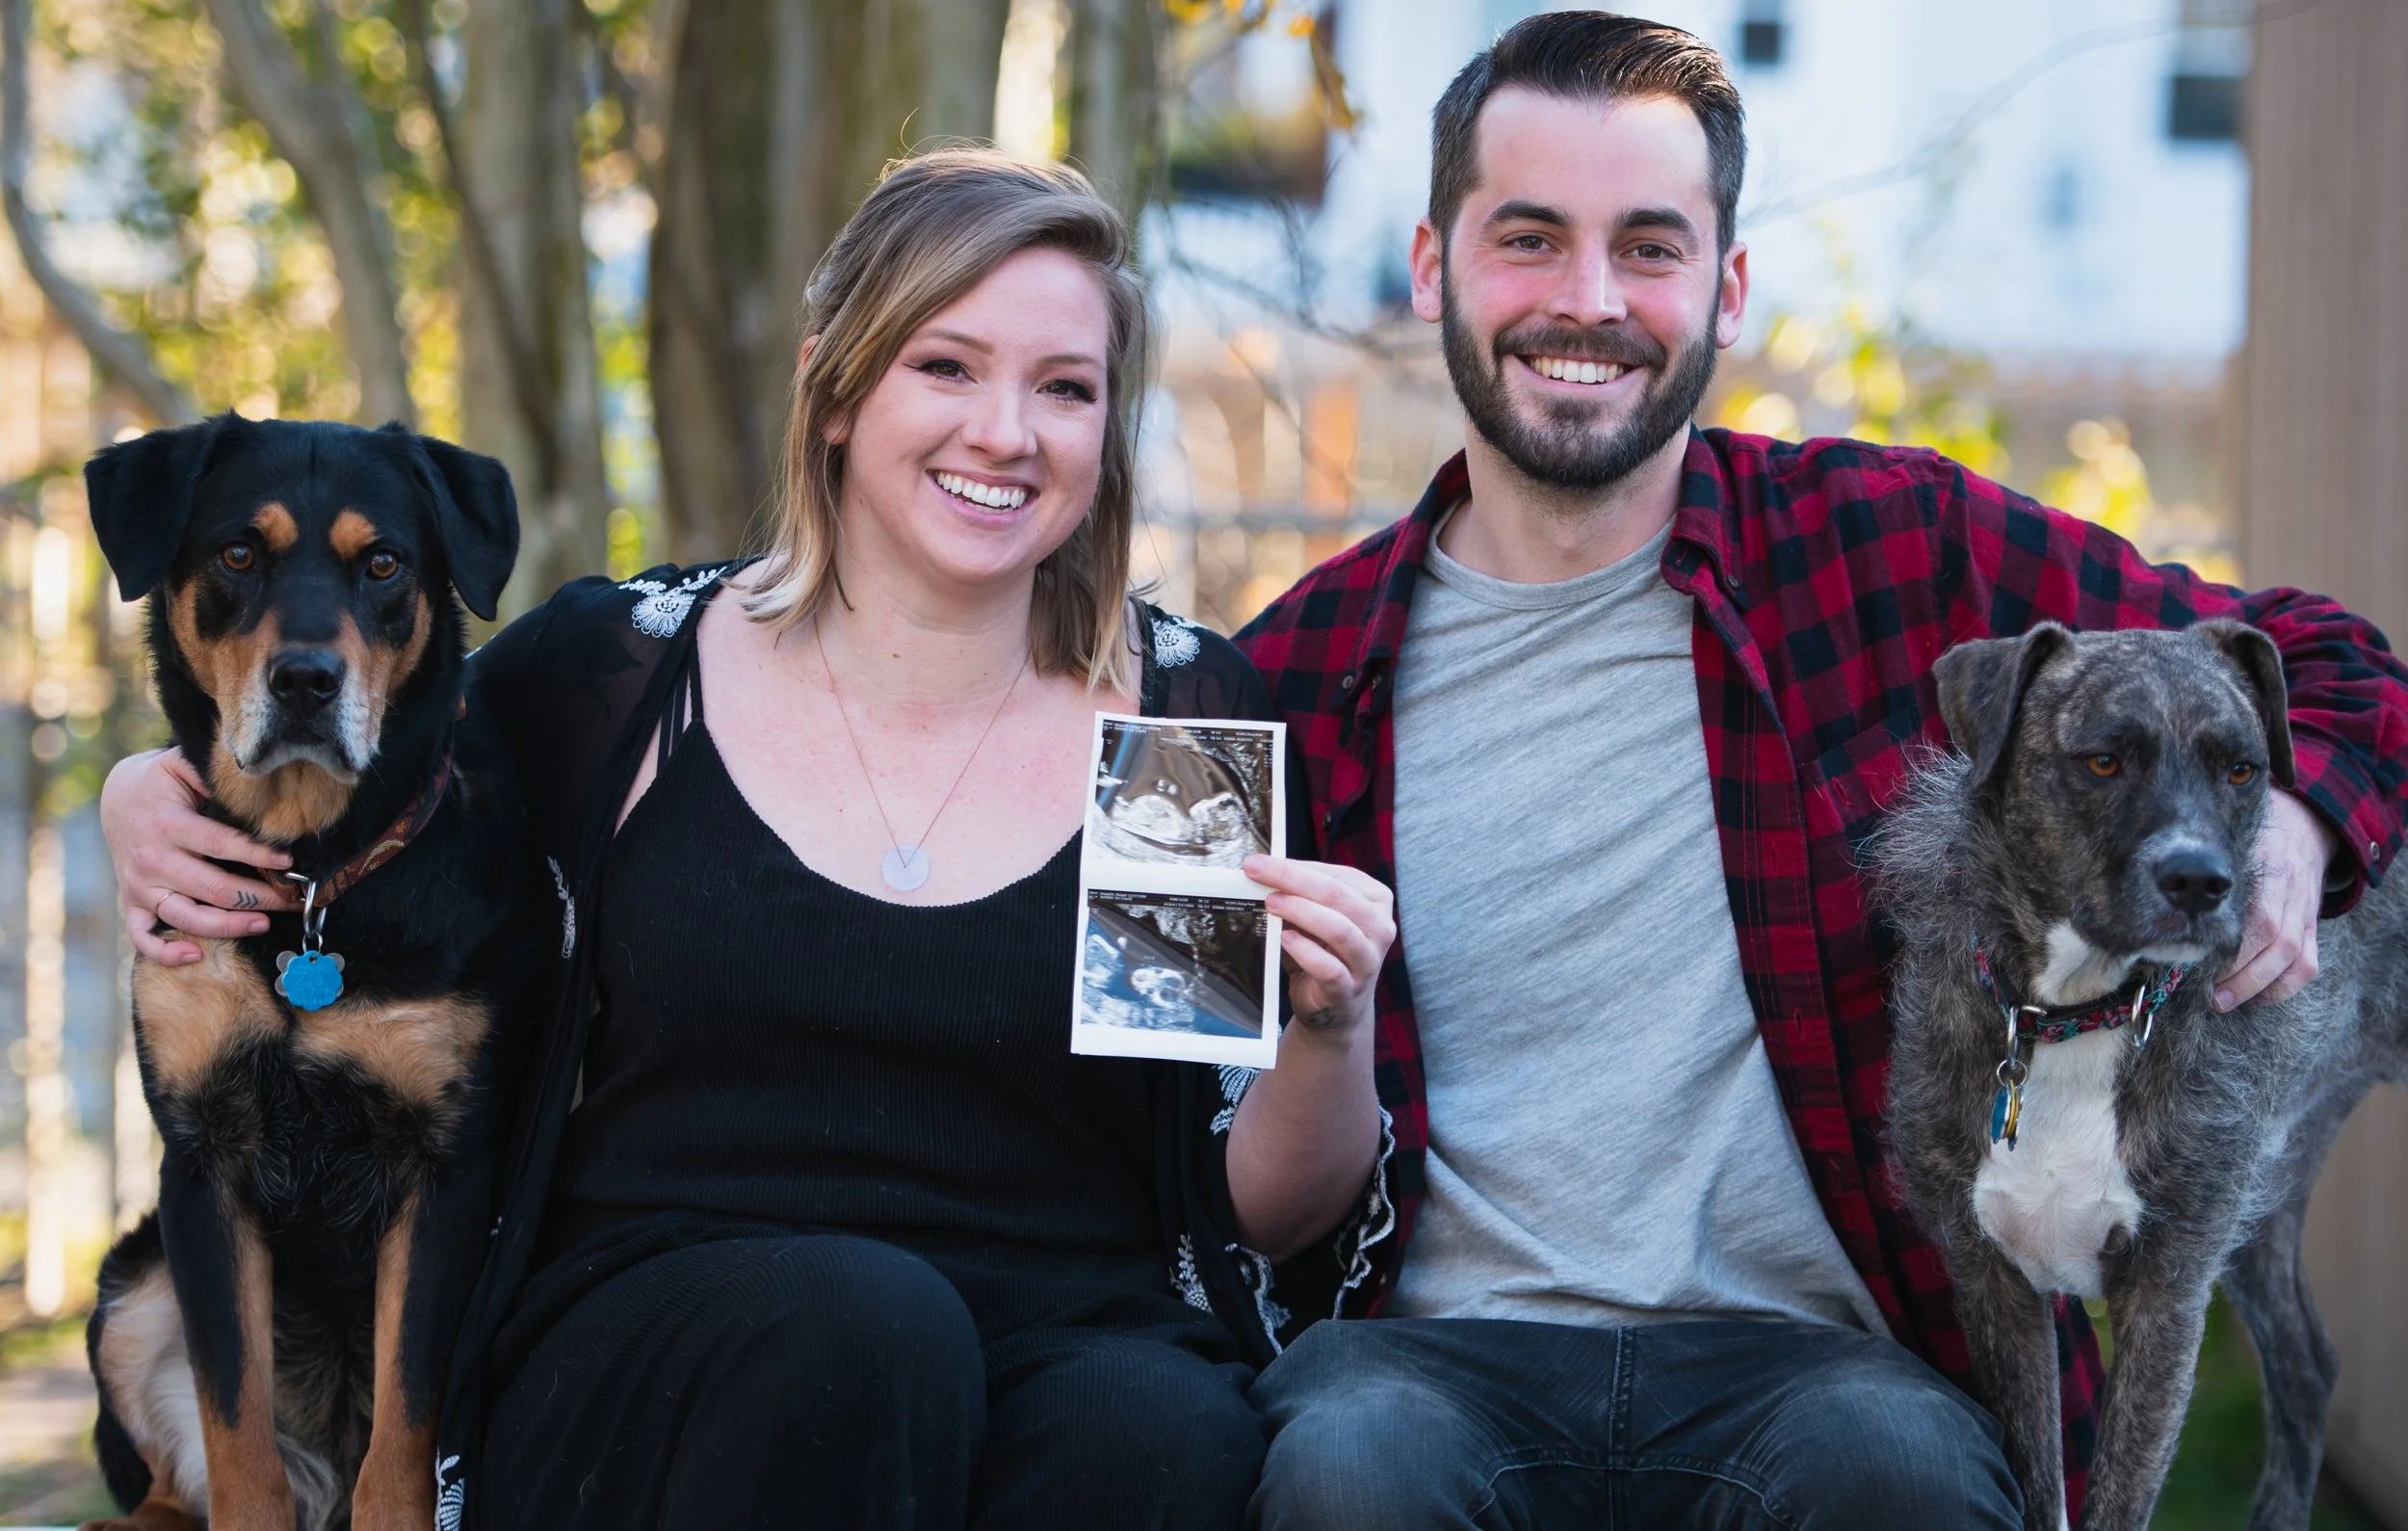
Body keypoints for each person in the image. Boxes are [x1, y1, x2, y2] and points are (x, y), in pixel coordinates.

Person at [99, 150, 1393, 1530]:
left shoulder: (1177, 728)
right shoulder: (622, 680)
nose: (1006, 431)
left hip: (1062, 1327)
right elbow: (379, 755)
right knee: (864, 1329)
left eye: (1064, 388)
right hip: (672, 1331)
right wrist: (150, 785)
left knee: (1159, 1432)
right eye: (945, 367)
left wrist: (1328, 1027)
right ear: (836, 390)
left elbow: (1252, 1206)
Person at [1233, 13, 2408, 1530]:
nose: (1589, 301)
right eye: (1530, 238)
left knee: (1900, 1479)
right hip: (1433, 1368)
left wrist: (2306, 816)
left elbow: (2329, 659)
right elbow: (1227, 1167)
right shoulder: (1294, 673)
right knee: (1341, 1467)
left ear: (1724, 289)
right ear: (1429, 265)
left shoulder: (1893, 550)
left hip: (1818, 1371)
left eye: (1648, 248)